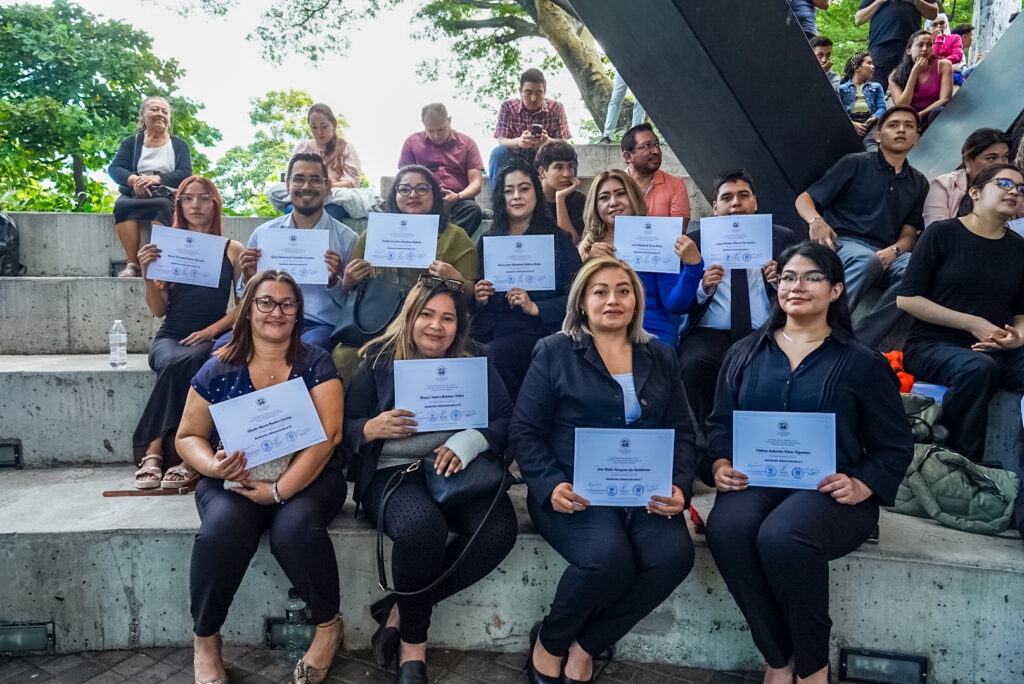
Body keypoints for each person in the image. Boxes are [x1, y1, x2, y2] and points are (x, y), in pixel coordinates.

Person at [705, 242, 913, 684]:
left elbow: (894, 445)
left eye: (812, 277)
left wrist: (862, 484)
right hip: (756, 482)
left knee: (783, 537)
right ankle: (778, 660)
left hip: (831, 491)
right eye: (788, 277)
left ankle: (813, 668)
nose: (796, 286)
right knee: (728, 529)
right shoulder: (744, 353)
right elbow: (720, 424)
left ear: (836, 290)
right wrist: (720, 463)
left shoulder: (862, 363)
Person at [511, 257, 697, 684]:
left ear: (636, 302)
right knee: (606, 559)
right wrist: (550, 484)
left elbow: (684, 432)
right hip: (574, 491)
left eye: (623, 291)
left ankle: (586, 645)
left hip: (644, 492)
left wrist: (680, 486)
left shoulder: (661, 355)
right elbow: (525, 432)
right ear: (582, 302)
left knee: (672, 557)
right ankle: (550, 643)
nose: (613, 299)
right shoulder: (553, 351)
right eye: (601, 291)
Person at [343, 277, 517, 684]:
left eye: (447, 318)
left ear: (460, 325)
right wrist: (370, 427)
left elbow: (507, 419)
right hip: (393, 472)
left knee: (497, 532)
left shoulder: (477, 358)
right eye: (426, 314)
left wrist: (472, 440)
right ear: (410, 316)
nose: (436, 326)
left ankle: (399, 609)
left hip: (459, 470)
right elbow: (344, 425)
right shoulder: (377, 359)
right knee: (423, 528)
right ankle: (412, 648)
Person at [176, 269, 345, 684]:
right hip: (233, 478)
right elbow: (187, 436)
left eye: (288, 304)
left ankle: (327, 627)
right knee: (222, 530)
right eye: (266, 302)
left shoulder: (316, 362)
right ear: (248, 309)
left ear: (298, 313)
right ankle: (206, 639)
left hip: (308, 478)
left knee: (295, 530)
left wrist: (279, 491)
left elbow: (329, 436)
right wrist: (212, 466)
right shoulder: (218, 367)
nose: (276, 311)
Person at [897, 164, 1024, 462]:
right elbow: (907, 299)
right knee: (977, 369)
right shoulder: (942, 233)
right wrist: (972, 323)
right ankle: (957, 463)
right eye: (1004, 183)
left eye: (1020, 188)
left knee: (984, 364)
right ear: (975, 192)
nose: (1014, 192)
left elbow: (1021, 313)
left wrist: (1017, 338)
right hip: (932, 344)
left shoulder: (1019, 249)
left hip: (996, 349)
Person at [680, 170, 797, 486]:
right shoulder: (696, 241)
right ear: (715, 207)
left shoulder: (781, 238)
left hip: (764, 331)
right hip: (710, 330)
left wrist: (781, 281)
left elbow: (800, 292)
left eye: (743, 196)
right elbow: (679, 300)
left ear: (755, 202)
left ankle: (766, 454)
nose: (736, 204)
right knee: (693, 364)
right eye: (727, 198)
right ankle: (708, 460)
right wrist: (703, 287)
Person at [132, 176, 243, 490]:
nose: (196, 205)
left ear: (215, 204)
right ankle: (173, 454)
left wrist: (211, 330)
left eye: (203, 198)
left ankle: (154, 452)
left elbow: (243, 307)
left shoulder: (232, 249)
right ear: (179, 205)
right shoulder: (168, 246)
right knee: (175, 360)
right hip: (172, 334)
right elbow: (158, 310)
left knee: (199, 359)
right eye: (188, 198)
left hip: (214, 333)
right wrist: (146, 274)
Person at [334, 165, 479, 384]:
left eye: (422, 188)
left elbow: (471, 297)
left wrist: (454, 279)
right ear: (394, 195)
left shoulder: (456, 238)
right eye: (404, 189)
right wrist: (348, 281)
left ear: (435, 194)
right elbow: (350, 292)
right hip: (374, 324)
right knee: (343, 356)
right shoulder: (373, 234)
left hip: (430, 327)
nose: (413, 195)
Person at [794, 106, 928, 334]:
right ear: (878, 136)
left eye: (909, 126)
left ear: (916, 138)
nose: (901, 130)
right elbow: (804, 199)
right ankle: (822, 330)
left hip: (885, 253)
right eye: (893, 125)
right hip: (843, 245)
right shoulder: (855, 163)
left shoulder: (919, 183)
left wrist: (893, 251)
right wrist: (816, 221)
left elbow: (908, 235)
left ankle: (863, 338)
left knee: (920, 268)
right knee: (866, 260)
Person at [473, 160, 582, 398]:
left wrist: (536, 307)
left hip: (540, 329)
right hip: (493, 328)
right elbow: (476, 296)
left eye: (524, 188)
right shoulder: (488, 240)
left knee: (491, 357)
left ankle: (518, 416)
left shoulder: (559, 240)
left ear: (536, 192)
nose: (516, 196)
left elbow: (579, 296)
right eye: (508, 190)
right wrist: (479, 296)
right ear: (500, 197)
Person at [234, 154, 358, 354]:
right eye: (299, 179)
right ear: (287, 184)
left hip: (318, 326)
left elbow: (352, 305)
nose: (306, 186)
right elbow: (244, 297)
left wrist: (334, 281)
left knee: (306, 352)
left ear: (327, 186)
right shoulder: (264, 235)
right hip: (269, 319)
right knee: (222, 349)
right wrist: (249, 277)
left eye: (315, 179)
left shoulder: (347, 239)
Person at [578, 169, 703, 346]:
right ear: (595, 206)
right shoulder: (588, 245)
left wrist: (693, 268)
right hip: (602, 331)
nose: (613, 202)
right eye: (604, 197)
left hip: (651, 332)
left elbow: (675, 304)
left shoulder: (658, 236)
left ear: (634, 197)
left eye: (621, 194)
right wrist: (589, 264)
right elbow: (576, 302)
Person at [108, 96, 193, 278]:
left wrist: (157, 179)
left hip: (164, 194)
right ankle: (132, 263)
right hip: (134, 194)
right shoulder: (131, 143)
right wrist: (134, 180)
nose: (160, 114)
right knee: (122, 205)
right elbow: (115, 168)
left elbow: (186, 173)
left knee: (162, 205)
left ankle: (158, 262)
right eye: (154, 109)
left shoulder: (179, 145)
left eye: (164, 111)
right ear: (142, 114)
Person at [399, 103, 485, 236]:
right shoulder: (412, 142)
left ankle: (443, 242)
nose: (436, 136)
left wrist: (458, 196)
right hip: (423, 199)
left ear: (449, 120)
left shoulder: (468, 144)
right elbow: (404, 178)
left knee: (472, 210)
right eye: (430, 131)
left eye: (440, 130)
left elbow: (476, 184)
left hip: (457, 201)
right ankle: (440, 240)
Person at [266, 103, 362, 221]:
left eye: (324, 126)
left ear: (334, 124)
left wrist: (327, 186)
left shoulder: (345, 148)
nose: (319, 132)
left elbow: (352, 182)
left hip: (333, 197)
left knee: (332, 209)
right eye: (314, 127)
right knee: (285, 203)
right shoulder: (302, 148)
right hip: (304, 194)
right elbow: (291, 179)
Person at [489, 68, 571, 189]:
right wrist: (519, 141)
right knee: (498, 153)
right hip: (516, 160)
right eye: (528, 93)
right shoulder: (508, 107)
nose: (533, 98)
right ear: (520, 91)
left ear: (544, 92)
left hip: (545, 161)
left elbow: (564, 143)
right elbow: (501, 140)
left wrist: (548, 142)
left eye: (538, 93)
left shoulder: (556, 108)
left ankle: (567, 197)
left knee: (569, 153)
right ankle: (497, 199)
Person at [923, 128, 1013, 226]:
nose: (1001, 164)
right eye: (991, 158)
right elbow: (935, 229)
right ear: (968, 160)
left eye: (1005, 157)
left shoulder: (1013, 188)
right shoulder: (945, 184)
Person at [855, 0, 940, 91]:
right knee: (875, 90)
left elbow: (933, 14)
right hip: (880, 47)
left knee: (911, 89)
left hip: (910, 48)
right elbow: (859, 19)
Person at [621, 124, 690, 230]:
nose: (656, 151)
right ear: (628, 156)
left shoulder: (675, 185)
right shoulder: (614, 185)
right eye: (647, 146)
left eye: (657, 145)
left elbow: (677, 232)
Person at [889, 30, 953, 129]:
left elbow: (945, 99)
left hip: (935, 116)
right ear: (909, 51)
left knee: (938, 111)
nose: (925, 49)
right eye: (920, 45)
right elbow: (901, 106)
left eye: (929, 45)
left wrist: (919, 115)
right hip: (908, 119)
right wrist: (914, 73)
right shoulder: (895, 75)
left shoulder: (943, 65)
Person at [536, 141, 586, 244]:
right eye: (559, 167)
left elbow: (570, 243)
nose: (567, 174)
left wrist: (560, 199)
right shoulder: (531, 198)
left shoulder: (577, 199)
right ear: (542, 172)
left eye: (570, 166)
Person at [838, 52, 887, 152]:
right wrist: (851, 123)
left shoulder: (876, 87)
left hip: (871, 122)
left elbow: (882, 108)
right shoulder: (841, 89)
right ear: (857, 67)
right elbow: (838, 111)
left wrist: (874, 117)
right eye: (869, 63)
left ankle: (874, 160)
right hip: (850, 122)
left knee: (871, 143)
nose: (873, 67)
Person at [599, 70, 646, 143]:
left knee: (640, 101)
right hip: (623, 68)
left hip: (640, 68)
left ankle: (636, 134)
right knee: (616, 99)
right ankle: (606, 135)